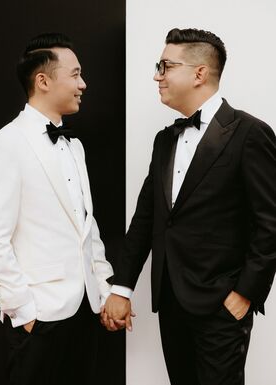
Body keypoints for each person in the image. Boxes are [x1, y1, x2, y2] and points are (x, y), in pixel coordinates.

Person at [102, 28, 276, 385]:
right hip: (171, 304)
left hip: (221, 306)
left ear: (200, 73)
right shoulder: (164, 140)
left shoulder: (250, 133)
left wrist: (244, 293)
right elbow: (147, 218)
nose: (156, 75)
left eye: (165, 66)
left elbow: (271, 222)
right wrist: (121, 287)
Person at [0, 32, 113, 385]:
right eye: (75, 74)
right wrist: (24, 310)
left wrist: (105, 288)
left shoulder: (75, 147)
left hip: (85, 312)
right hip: (40, 318)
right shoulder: (4, 145)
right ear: (42, 80)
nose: (83, 84)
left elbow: (87, 228)